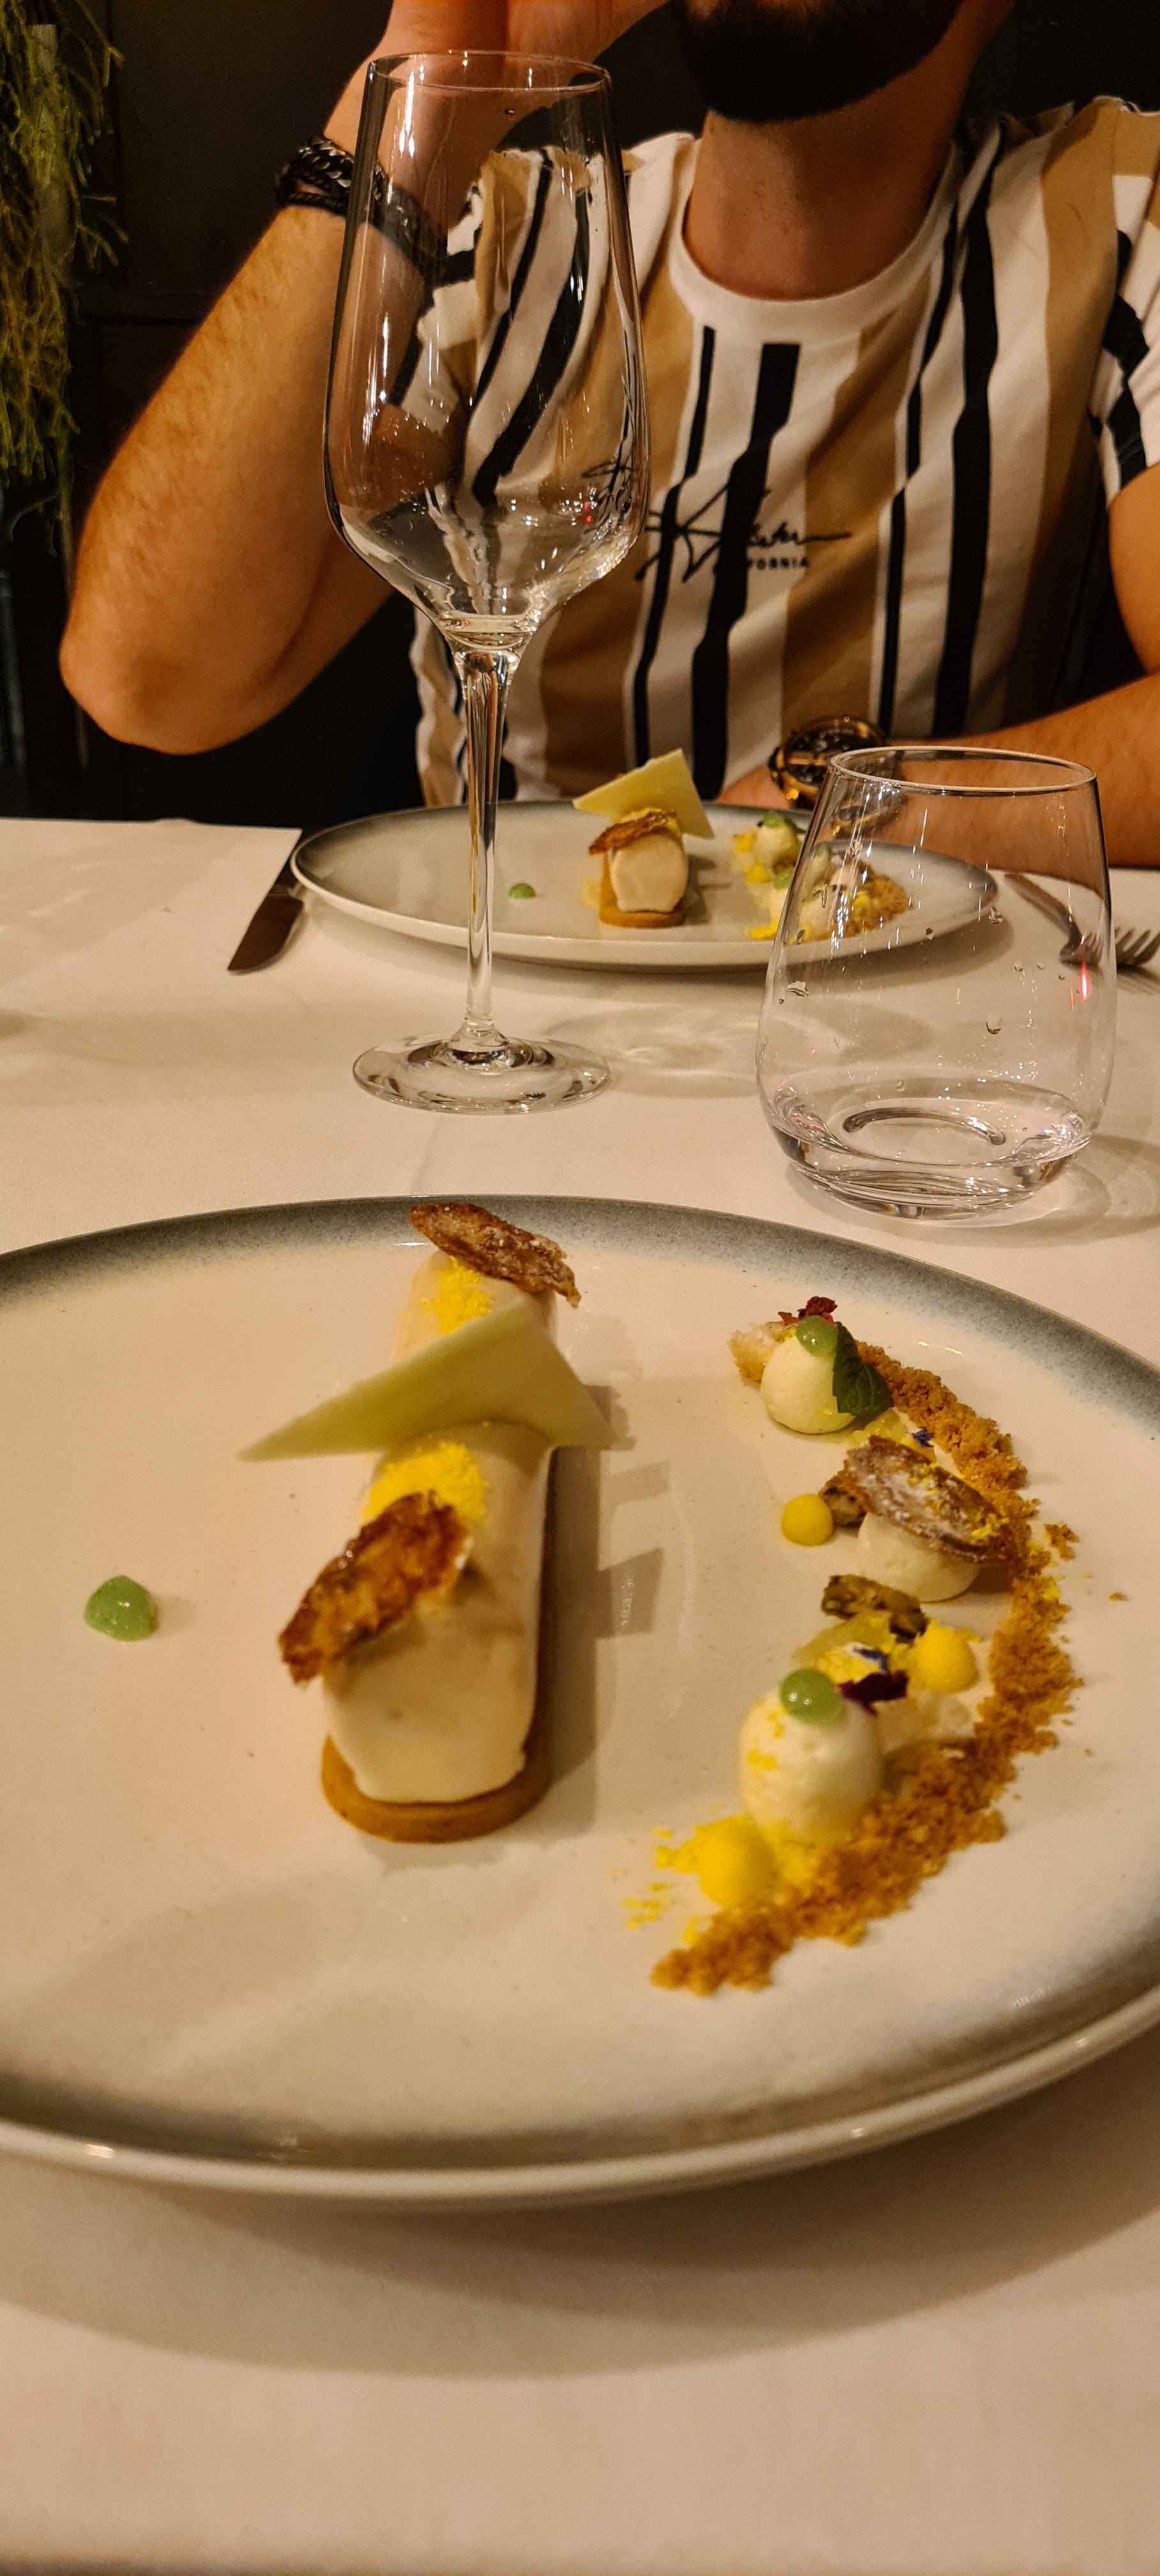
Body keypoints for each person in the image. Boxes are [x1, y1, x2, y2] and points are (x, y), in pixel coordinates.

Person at [61, 0, 1160, 860]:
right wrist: (420, 90)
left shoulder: (1111, 212)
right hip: (491, 1011)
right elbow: (145, 676)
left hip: (883, 1026)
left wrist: (844, 806)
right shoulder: (500, 238)